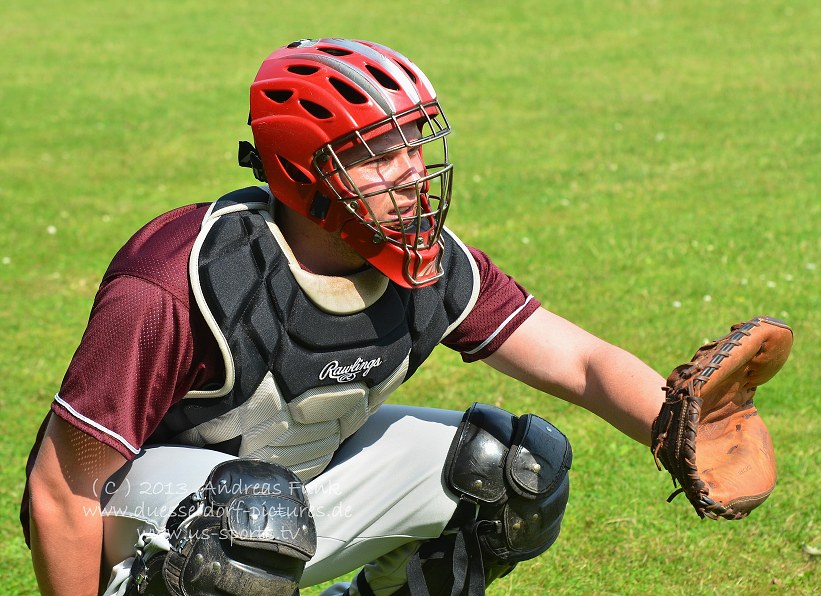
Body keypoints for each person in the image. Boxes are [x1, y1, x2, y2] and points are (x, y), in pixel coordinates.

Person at [22, 38, 677, 596]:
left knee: (511, 469)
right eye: (380, 153)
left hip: (281, 505)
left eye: (415, 143)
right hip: (143, 526)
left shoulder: (430, 263)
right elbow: (60, 490)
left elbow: (580, 363)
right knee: (249, 516)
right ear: (302, 170)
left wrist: (682, 431)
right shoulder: (181, 278)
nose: (414, 173)